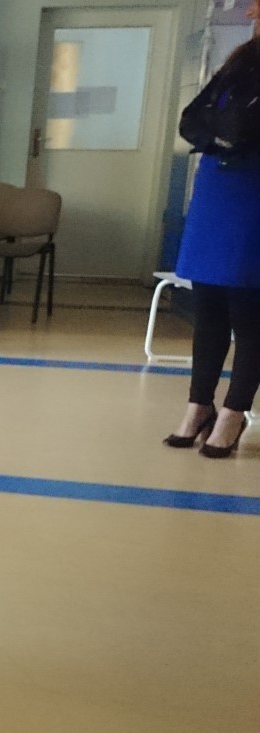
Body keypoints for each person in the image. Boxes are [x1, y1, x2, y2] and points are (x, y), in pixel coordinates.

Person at [165, 28, 260, 458]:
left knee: (249, 312)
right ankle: (199, 406)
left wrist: (237, 135)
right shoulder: (239, 62)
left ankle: (234, 414)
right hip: (215, 193)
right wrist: (220, 138)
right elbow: (192, 118)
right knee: (208, 308)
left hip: (254, 195)